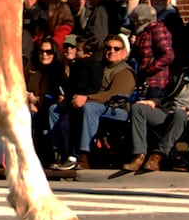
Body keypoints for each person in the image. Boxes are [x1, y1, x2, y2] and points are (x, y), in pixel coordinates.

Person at [50, 33, 135, 172]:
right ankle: (59, 152)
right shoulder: (98, 66)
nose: (111, 51)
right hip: (95, 104)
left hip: (116, 109)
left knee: (89, 108)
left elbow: (114, 94)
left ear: (124, 52)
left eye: (116, 48)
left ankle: (84, 154)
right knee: (55, 109)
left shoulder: (124, 71)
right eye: (108, 48)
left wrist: (87, 98)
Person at [124, 51, 189, 174]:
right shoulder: (181, 77)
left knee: (180, 114)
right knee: (138, 108)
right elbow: (165, 95)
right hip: (168, 112)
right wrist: (154, 102)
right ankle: (139, 155)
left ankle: (157, 156)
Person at [127, 3, 174, 100]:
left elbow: (168, 55)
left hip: (155, 83)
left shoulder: (156, 29)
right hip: (143, 81)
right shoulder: (144, 32)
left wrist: (149, 69)